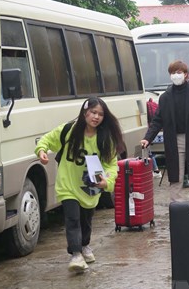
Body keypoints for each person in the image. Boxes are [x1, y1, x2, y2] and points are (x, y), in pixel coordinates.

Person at [35, 97, 125, 273]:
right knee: (73, 218)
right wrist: (42, 151)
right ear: (85, 113)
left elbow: (111, 165)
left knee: (86, 220)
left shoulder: (104, 138)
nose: (96, 117)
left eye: (100, 114)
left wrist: (107, 181)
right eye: (93, 112)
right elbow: (47, 139)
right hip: (67, 184)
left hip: (90, 186)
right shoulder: (68, 130)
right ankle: (75, 254)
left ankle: (84, 245)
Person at [141, 60, 189, 203]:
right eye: (173, 73)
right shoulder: (165, 97)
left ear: (186, 74)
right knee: (176, 176)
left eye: (179, 72)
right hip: (174, 140)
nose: (176, 75)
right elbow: (157, 120)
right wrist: (147, 138)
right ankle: (176, 207)